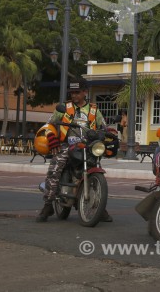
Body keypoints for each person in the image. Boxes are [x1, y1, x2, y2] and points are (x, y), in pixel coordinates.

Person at [36, 78, 113, 223]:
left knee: (97, 167)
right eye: (72, 92)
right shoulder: (63, 108)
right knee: (55, 168)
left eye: (77, 92)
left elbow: (104, 127)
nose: (74, 95)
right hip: (67, 145)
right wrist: (51, 136)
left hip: (88, 146)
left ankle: (99, 207)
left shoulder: (94, 110)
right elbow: (48, 125)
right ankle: (47, 205)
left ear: (85, 92)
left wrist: (110, 133)